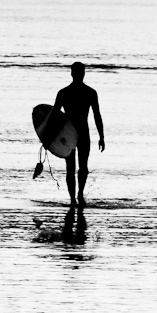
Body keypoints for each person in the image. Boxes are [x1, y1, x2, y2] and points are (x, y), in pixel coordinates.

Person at [53, 62, 104, 207]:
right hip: (83, 133)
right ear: (83, 74)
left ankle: (73, 199)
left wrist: (49, 138)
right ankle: (79, 195)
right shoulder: (90, 92)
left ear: (71, 73)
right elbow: (97, 116)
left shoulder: (63, 93)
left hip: (67, 135)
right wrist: (101, 136)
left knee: (71, 168)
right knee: (83, 167)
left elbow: (54, 118)